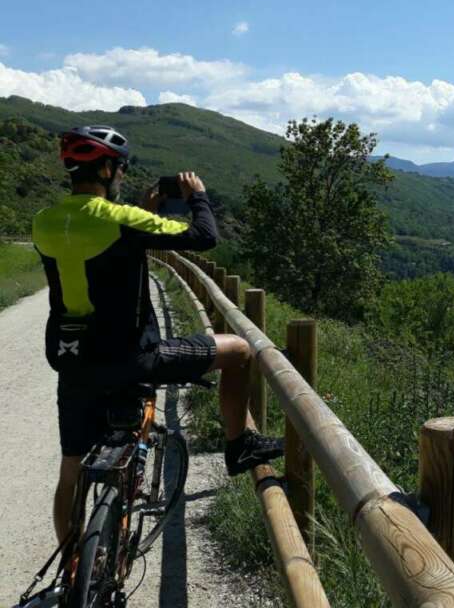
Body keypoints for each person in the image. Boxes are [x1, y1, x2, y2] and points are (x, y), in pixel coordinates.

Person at [32, 125, 284, 543]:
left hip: (74, 361)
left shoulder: (45, 222)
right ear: (109, 168)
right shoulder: (123, 220)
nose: (123, 176)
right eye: (121, 170)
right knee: (239, 350)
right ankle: (239, 444)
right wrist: (197, 196)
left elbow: (104, 248)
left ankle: (73, 570)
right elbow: (205, 236)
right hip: (133, 357)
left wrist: (144, 211)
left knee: (71, 468)